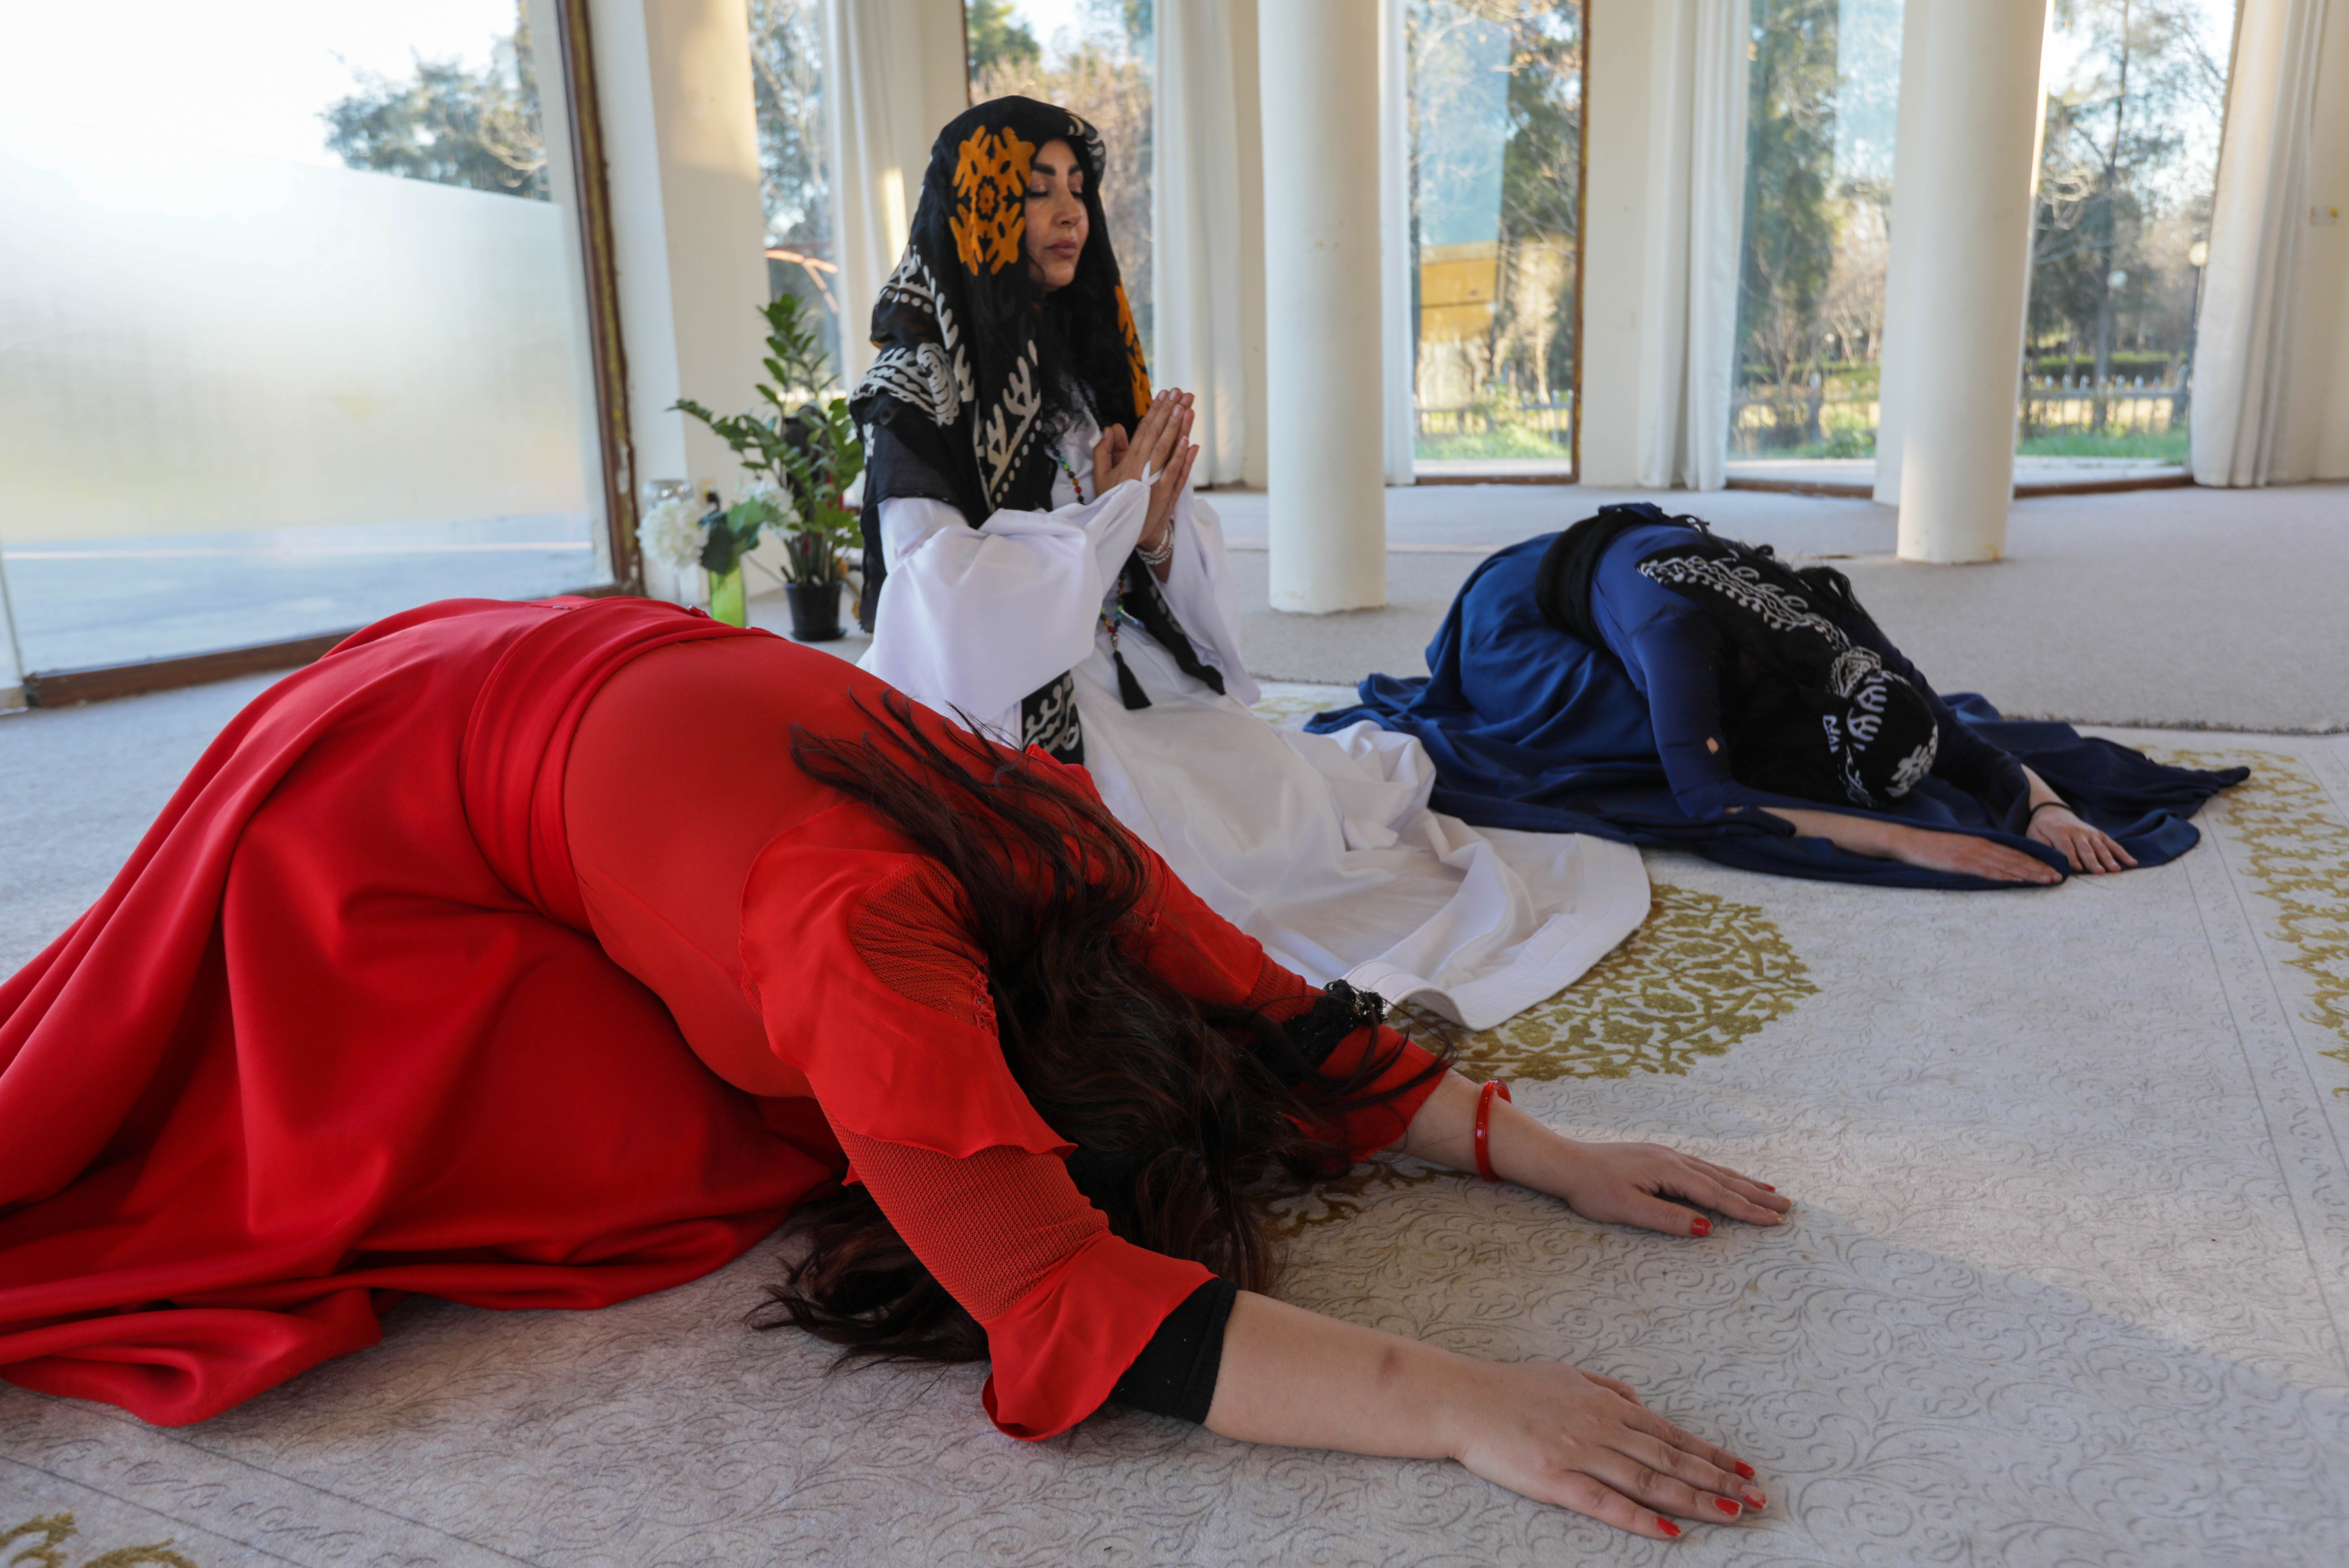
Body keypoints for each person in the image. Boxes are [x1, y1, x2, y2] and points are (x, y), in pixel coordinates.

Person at [0, 595, 1787, 1542]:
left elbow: (1271, 1009)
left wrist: (1536, 1148)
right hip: (381, 775)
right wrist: (1460, 1399)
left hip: (576, 661)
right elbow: (1070, 1311)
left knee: (688, 1112)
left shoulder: (1062, 847)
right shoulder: (861, 950)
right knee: (285, 1144)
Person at [849, 97, 1648, 1031]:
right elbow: (935, 597)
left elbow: (1136, 541)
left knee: (1277, 787)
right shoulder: (915, 386)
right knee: (1184, 850)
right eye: (1038, 191)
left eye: (1078, 189)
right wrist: (1104, 522)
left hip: (1113, 660)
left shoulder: (1072, 356)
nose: (1071, 213)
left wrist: (1148, 532)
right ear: (980, 209)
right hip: (1012, 703)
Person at [1311, 503, 2246, 888]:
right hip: (1517, 613)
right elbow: (1710, 801)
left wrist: (2042, 805)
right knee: (1644, 746)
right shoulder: (1677, 643)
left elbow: (1955, 740)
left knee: (1720, 732)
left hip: (1638, 582)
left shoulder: (1845, 634)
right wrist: (1910, 840)